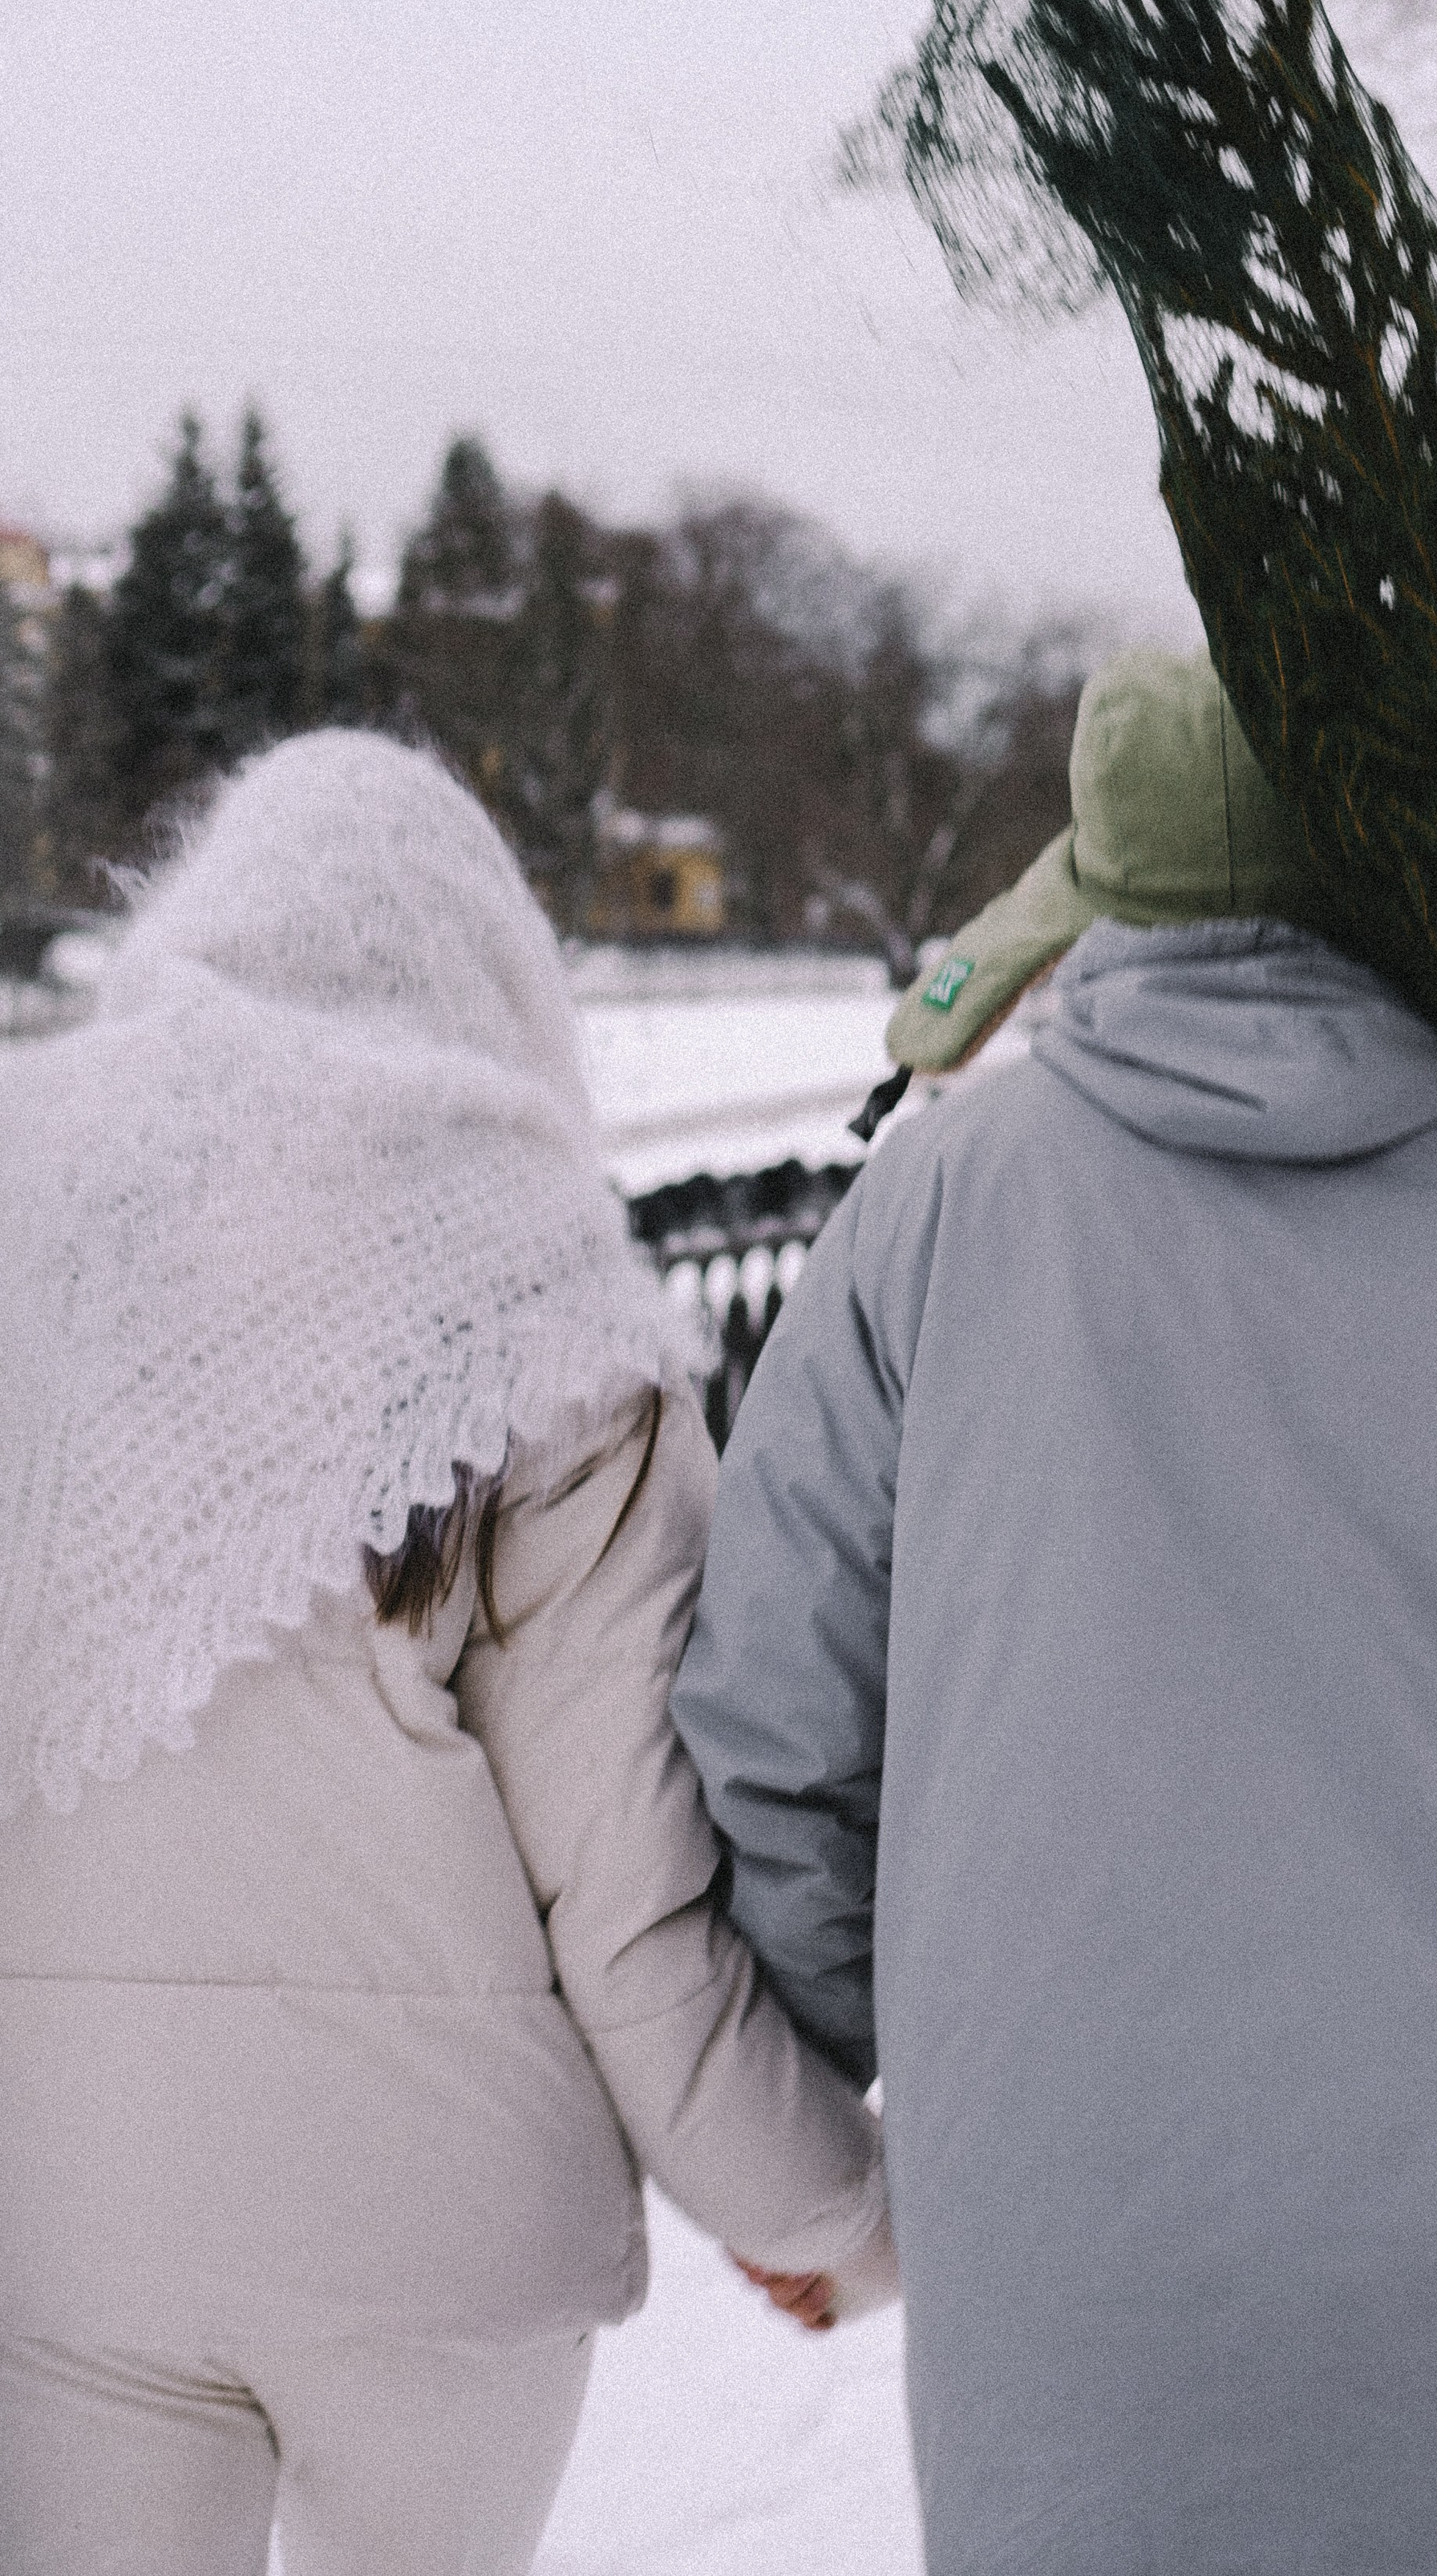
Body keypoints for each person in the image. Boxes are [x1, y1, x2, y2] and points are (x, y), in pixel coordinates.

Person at [671, 645, 1437, 2576]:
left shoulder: (923, 1218)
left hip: (1060, 2207)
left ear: (1099, 887)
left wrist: (833, 2107)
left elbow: (771, 1726)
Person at [0, 733, 894, 2576]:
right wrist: (827, 2213)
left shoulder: (30, 1200)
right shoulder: (536, 1293)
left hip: (62, 2195)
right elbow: (633, 1911)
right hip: (435, 2235)